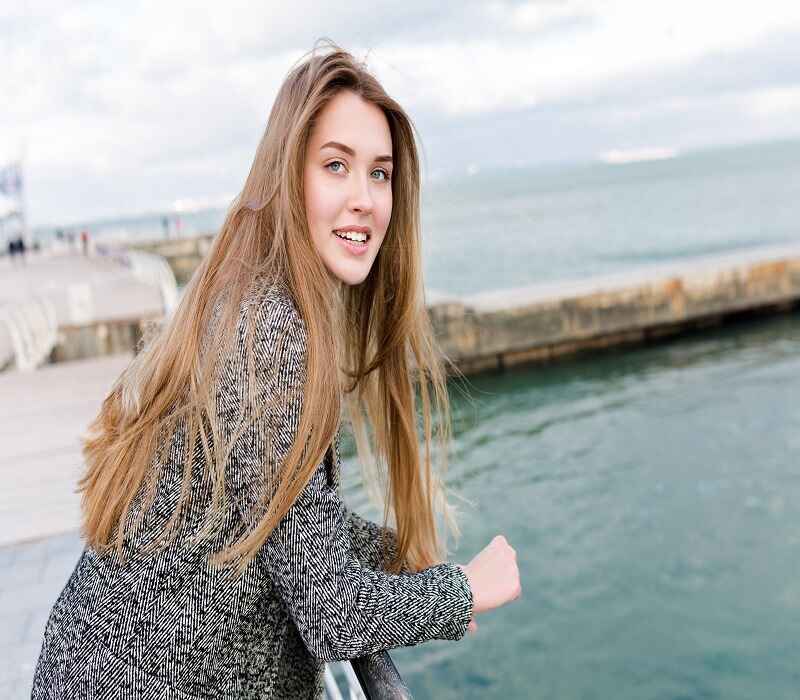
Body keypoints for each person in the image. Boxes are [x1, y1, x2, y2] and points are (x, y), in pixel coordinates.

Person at [31, 39, 521, 699]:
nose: (365, 199)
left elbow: (284, 513)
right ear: (289, 177)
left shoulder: (256, 301)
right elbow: (334, 614)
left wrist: (393, 552)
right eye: (335, 166)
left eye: (379, 173)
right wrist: (466, 589)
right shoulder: (272, 338)